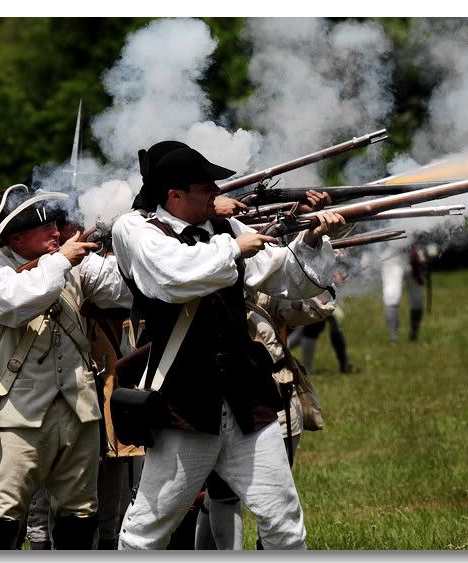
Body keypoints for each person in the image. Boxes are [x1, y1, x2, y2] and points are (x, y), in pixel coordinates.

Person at [112, 141, 343, 550]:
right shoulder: (135, 231)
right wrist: (234, 248)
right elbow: (173, 278)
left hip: (243, 395)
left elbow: (282, 277)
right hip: (182, 401)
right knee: (144, 534)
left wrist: (311, 238)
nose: (217, 193)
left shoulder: (222, 230)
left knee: (284, 524)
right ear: (175, 195)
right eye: (206, 187)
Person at [0, 184, 132, 549]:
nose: (58, 232)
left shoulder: (66, 261)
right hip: (20, 417)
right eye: (47, 229)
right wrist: (61, 260)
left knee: (79, 517)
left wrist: (133, 240)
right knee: (0, 519)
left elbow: (124, 290)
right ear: (19, 237)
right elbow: (19, 301)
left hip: (80, 411)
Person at [194, 289, 335, 550]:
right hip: (222, 403)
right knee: (220, 496)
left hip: (276, 405)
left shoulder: (266, 285)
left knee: (274, 502)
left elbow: (307, 309)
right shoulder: (206, 283)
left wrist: (316, 279)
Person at [380, 243, 427, 342]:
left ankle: (414, 334)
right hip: (391, 254)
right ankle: (394, 337)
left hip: (413, 251)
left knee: (418, 299)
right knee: (391, 295)